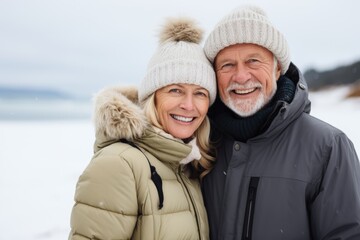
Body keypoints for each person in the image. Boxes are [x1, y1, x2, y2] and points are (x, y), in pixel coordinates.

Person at [201, 5, 360, 240]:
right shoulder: (201, 144)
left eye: (253, 61)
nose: (241, 76)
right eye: (227, 65)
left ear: (277, 69)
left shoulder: (328, 147)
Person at [68, 17, 216, 240]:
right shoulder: (119, 164)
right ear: (152, 98)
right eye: (175, 90)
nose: (188, 105)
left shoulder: (186, 163)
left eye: (200, 93)